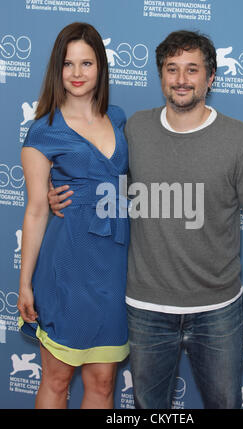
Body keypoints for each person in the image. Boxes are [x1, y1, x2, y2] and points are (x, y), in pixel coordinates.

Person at [49, 30, 243, 409]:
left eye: (192, 70)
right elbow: (98, 178)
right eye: (172, 69)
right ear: (161, 77)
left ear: (210, 78)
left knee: (225, 403)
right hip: (146, 309)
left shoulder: (238, 138)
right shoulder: (134, 130)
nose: (180, 79)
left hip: (218, 309)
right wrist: (54, 189)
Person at [17, 22, 130, 409]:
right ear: (57, 70)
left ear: (101, 67)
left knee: (102, 382)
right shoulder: (42, 131)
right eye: (68, 64)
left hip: (114, 267)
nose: (78, 74)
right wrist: (25, 284)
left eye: (87, 63)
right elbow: (34, 210)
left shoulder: (118, 119)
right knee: (57, 377)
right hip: (66, 264)